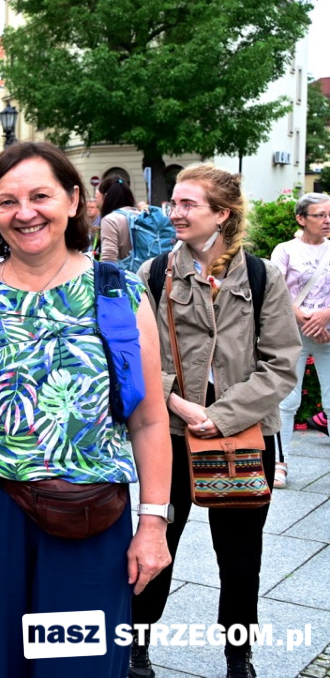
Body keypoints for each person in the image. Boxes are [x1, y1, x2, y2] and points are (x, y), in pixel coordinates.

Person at [0, 142, 172, 678]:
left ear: (73, 201)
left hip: (90, 512)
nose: (24, 213)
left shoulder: (119, 292)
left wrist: (153, 523)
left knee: (75, 664)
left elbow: (148, 419)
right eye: (7, 202)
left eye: (40, 196)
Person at [131, 164, 301, 678]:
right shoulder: (154, 273)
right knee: (156, 539)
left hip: (245, 434)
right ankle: (135, 647)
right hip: (169, 433)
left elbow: (281, 363)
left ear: (222, 214)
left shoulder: (262, 276)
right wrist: (180, 405)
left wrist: (222, 416)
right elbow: (136, 357)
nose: (175, 212)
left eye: (188, 204)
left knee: (241, 554)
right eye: (174, 203)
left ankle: (238, 655)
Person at [272, 192, 330, 488]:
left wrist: (325, 316)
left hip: (328, 332)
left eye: (329, 215)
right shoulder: (285, 250)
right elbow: (276, 290)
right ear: (301, 218)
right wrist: (308, 320)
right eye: (320, 215)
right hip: (293, 331)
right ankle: (279, 463)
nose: (327, 220)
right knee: (287, 399)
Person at [95, 176, 138, 263]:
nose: (96, 202)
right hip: (147, 270)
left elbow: (109, 260)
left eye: (97, 197)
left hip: (126, 270)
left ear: (105, 197)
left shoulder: (110, 220)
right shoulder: (139, 215)